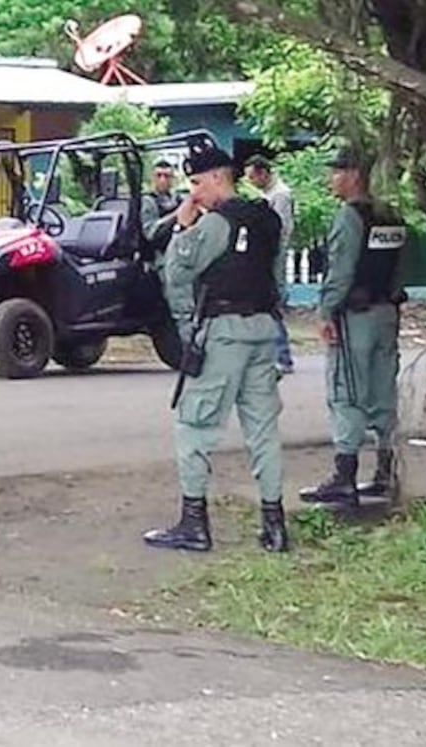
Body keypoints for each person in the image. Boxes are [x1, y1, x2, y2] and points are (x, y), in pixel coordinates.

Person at [142, 145, 288, 553]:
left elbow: (177, 270)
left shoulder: (215, 224)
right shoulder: (267, 220)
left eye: (197, 183)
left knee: (194, 425)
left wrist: (181, 228)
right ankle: (275, 525)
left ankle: (193, 523)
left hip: (223, 333)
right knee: (263, 430)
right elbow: (275, 275)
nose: (193, 194)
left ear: (219, 178)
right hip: (263, 330)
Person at [299, 147, 406, 506]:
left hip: (356, 317)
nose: (332, 179)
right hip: (387, 313)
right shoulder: (391, 215)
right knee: (383, 391)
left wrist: (326, 311)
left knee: (346, 391)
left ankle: (344, 476)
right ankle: (386, 471)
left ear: (354, 175)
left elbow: (341, 270)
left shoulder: (350, 216)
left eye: (336, 172)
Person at [244, 154, 296, 376]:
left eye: (252, 177)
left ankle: (282, 356)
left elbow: (280, 229)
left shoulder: (280, 196)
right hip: (268, 256)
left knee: (271, 304)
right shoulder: (268, 195)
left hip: (273, 257)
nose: (251, 182)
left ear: (263, 173)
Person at [141, 159, 181, 257]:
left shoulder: (178, 199)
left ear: (172, 179)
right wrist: (176, 214)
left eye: (167, 176)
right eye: (159, 175)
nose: (162, 180)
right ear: (153, 178)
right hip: (158, 256)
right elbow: (150, 233)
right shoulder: (148, 201)